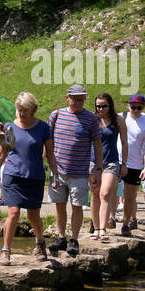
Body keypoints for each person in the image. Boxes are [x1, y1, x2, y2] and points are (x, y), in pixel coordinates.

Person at [0, 92, 57, 263]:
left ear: (33, 110)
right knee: (13, 212)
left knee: (33, 215)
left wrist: (55, 175)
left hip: (34, 176)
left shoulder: (43, 128)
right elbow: (1, 154)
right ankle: (5, 250)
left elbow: (51, 155)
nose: (22, 113)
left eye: (25, 110)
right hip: (12, 175)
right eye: (19, 110)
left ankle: (40, 242)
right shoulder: (10, 126)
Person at [47, 84, 102, 256]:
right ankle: (61, 237)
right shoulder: (56, 115)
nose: (77, 102)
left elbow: (98, 144)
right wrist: (45, 161)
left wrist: (98, 168)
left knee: (77, 206)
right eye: (74, 98)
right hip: (58, 171)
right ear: (67, 98)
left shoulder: (91, 119)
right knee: (59, 205)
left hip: (79, 172)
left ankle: (74, 240)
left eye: (81, 99)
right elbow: (48, 142)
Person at [89, 93, 128, 243]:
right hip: (93, 162)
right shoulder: (93, 119)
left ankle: (103, 228)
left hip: (112, 161)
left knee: (105, 194)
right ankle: (96, 228)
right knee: (94, 194)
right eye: (98, 106)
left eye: (104, 105)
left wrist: (124, 163)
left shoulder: (118, 120)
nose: (101, 108)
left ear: (110, 105)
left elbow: (124, 142)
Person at [121, 94, 145, 234]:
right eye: (133, 107)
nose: (135, 110)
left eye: (139, 108)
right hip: (117, 160)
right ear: (128, 106)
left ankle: (126, 223)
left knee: (130, 195)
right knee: (109, 192)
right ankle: (108, 220)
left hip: (135, 163)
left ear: (143, 107)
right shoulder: (122, 117)